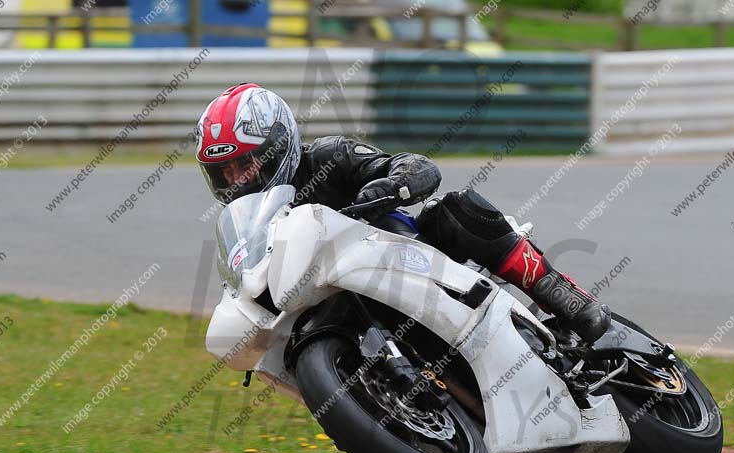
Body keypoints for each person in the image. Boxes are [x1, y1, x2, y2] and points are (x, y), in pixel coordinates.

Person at [196, 83, 611, 342]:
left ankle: (557, 291)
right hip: (343, 299)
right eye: (224, 172)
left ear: (278, 144)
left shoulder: (328, 156)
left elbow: (417, 167)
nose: (238, 179)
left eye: (246, 163)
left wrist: (385, 187)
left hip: (414, 258)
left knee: (454, 210)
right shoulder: (251, 226)